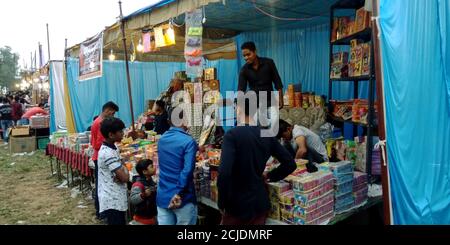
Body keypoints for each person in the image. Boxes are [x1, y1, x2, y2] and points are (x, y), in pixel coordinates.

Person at [217, 97, 296, 225]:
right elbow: (290, 163)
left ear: (239, 109)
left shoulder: (232, 135)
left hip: (236, 205)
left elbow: (224, 173)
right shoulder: (266, 134)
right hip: (259, 203)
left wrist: (221, 202)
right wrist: (269, 175)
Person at [156, 109, 198, 225]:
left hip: (163, 194)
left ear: (170, 121)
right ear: (184, 120)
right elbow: (187, 170)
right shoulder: (188, 141)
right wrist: (179, 193)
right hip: (182, 198)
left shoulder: (162, 139)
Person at [238, 41, 284, 131]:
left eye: (248, 54)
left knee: (274, 123)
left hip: (270, 101)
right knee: (259, 127)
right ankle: (261, 144)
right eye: (244, 56)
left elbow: (277, 81)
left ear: (255, 51)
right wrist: (240, 109)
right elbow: (241, 90)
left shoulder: (269, 63)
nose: (246, 58)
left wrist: (281, 98)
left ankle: (271, 143)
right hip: (255, 104)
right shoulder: (244, 70)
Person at [97, 117, 129, 225]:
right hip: (112, 200)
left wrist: (122, 167)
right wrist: (124, 167)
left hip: (116, 196)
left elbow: (121, 168)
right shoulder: (107, 153)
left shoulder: (113, 147)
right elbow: (125, 178)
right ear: (111, 135)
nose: (123, 134)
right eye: (120, 132)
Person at [91, 101, 120, 220]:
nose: (113, 116)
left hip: (99, 156)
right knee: (103, 186)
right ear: (107, 110)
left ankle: (101, 212)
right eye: (112, 114)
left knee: (102, 185)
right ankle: (102, 212)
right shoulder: (100, 123)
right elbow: (97, 144)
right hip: (100, 157)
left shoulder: (97, 121)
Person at [130, 159, 157, 225]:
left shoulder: (150, 181)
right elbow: (133, 199)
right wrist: (143, 195)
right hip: (141, 219)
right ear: (145, 171)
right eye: (152, 167)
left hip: (151, 216)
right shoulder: (138, 184)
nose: (154, 168)